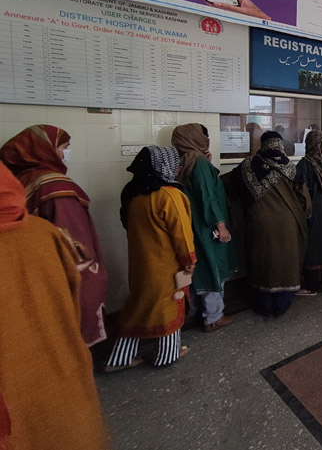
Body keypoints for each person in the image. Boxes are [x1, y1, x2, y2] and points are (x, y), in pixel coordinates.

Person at [0, 162, 108, 449]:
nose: (65, 152)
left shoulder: (37, 188)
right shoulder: (43, 231)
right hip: (53, 372)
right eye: (62, 144)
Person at [0, 124, 107, 346]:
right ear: (45, 149)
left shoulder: (21, 179)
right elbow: (73, 235)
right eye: (64, 146)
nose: (66, 152)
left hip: (27, 270)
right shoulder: (55, 184)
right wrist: (92, 274)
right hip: (59, 270)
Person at [105, 146, 196, 371]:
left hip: (141, 264)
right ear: (163, 166)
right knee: (169, 305)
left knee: (138, 306)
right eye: (174, 163)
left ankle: (121, 358)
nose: (177, 168)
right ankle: (167, 354)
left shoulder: (133, 193)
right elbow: (182, 235)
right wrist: (189, 261)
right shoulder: (170, 195)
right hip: (165, 265)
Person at [227, 132, 311, 318]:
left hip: (258, 223)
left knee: (261, 261)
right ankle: (281, 305)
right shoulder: (290, 167)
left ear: (262, 144)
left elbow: (229, 186)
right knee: (285, 262)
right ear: (280, 145)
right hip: (287, 224)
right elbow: (304, 200)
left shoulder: (247, 166)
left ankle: (263, 305)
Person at [171, 123, 237, 333]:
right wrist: (221, 225)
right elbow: (207, 197)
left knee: (198, 270)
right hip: (207, 227)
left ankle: (194, 314)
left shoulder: (184, 161)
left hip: (193, 226)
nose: (207, 140)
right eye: (203, 136)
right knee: (212, 269)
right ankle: (213, 318)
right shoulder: (198, 162)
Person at [295, 130, 322, 295]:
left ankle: (311, 286)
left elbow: (302, 191)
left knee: (311, 246)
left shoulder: (305, 164)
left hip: (313, 212)